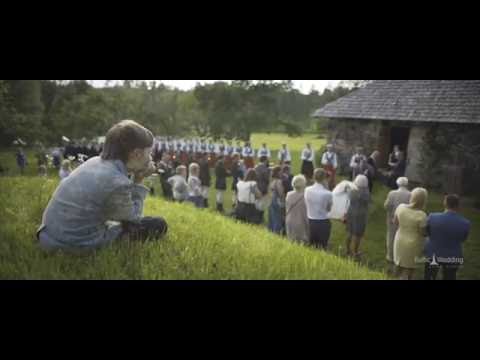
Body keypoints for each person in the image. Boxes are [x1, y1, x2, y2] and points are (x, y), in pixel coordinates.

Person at [37, 120, 168, 252]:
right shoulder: (116, 182)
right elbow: (133, 219)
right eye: (149, 153)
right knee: (157, 224)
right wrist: (139, 179)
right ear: (137, 154)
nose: (150, 158)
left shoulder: (93, 161)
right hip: (72, 243)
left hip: (47, 236)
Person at [424, 195, 471, 280]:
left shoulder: (432, 217)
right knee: (450, 277)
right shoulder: (466, 223)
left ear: (445, 203)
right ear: (458, 205)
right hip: (453, 256)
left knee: (429, 276)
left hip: (433, 253)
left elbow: (427, 232)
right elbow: (463, 239)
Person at [393, 188, 429, 280]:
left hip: (399, 240)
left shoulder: (400, 207)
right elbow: (422, 233)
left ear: (412, 197)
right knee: (410, 269)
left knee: (399, 265)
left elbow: (395, 222)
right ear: (423, 200)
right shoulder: (422, 215)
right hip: (414, 244)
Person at [384, 177, 411, 273]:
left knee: (391, 238)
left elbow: (386, 206)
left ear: (397, 183)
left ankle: (390, 257)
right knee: (402, 239)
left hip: (392, 219)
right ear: (406, 184)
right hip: (405, 221)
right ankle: (400, 258)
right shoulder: (410, 194)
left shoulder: (392, 193)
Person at [304, 169, 333, 250]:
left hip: (310, 220)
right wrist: (326, 188)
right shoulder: (328, 193)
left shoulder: (307, 189)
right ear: (324, 178)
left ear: (314, 177)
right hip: (323, 222)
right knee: (323, 247)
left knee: (311, 246)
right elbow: (329, 209)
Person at [344, 175, 371, 259]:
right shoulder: (366, 192)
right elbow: (368, 202)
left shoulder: (351, 190)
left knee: (350, 232)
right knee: (358, 235)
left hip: (351, 212)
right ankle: (355, 252)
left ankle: (348, 250)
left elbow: (347, 197)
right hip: (361, 214)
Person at [285, 175, 309, 243]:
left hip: (289, 220)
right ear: (304, 184)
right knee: (303, 243)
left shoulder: (289, 195)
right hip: (301, 222)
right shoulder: (305, 196)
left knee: (291, 241)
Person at [268, 166, 286, 234]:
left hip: (271, 201)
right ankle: (277, 233)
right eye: (281, 171)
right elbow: (281, 193)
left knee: (272, 218)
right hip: (277, 202)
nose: (282, 173)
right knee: (278, 219)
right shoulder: (278, 182)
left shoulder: (272, 181)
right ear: (278, 172)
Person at [254, 156, 271, 224]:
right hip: (263, 187)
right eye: (267, 160)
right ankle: (260, 217)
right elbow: (267, 178)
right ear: (264, 160)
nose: (268, 161)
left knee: (257, 201)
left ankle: (256, 216)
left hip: (257, 186)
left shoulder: (256, 167)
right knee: (262, 203)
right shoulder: (264, 168)